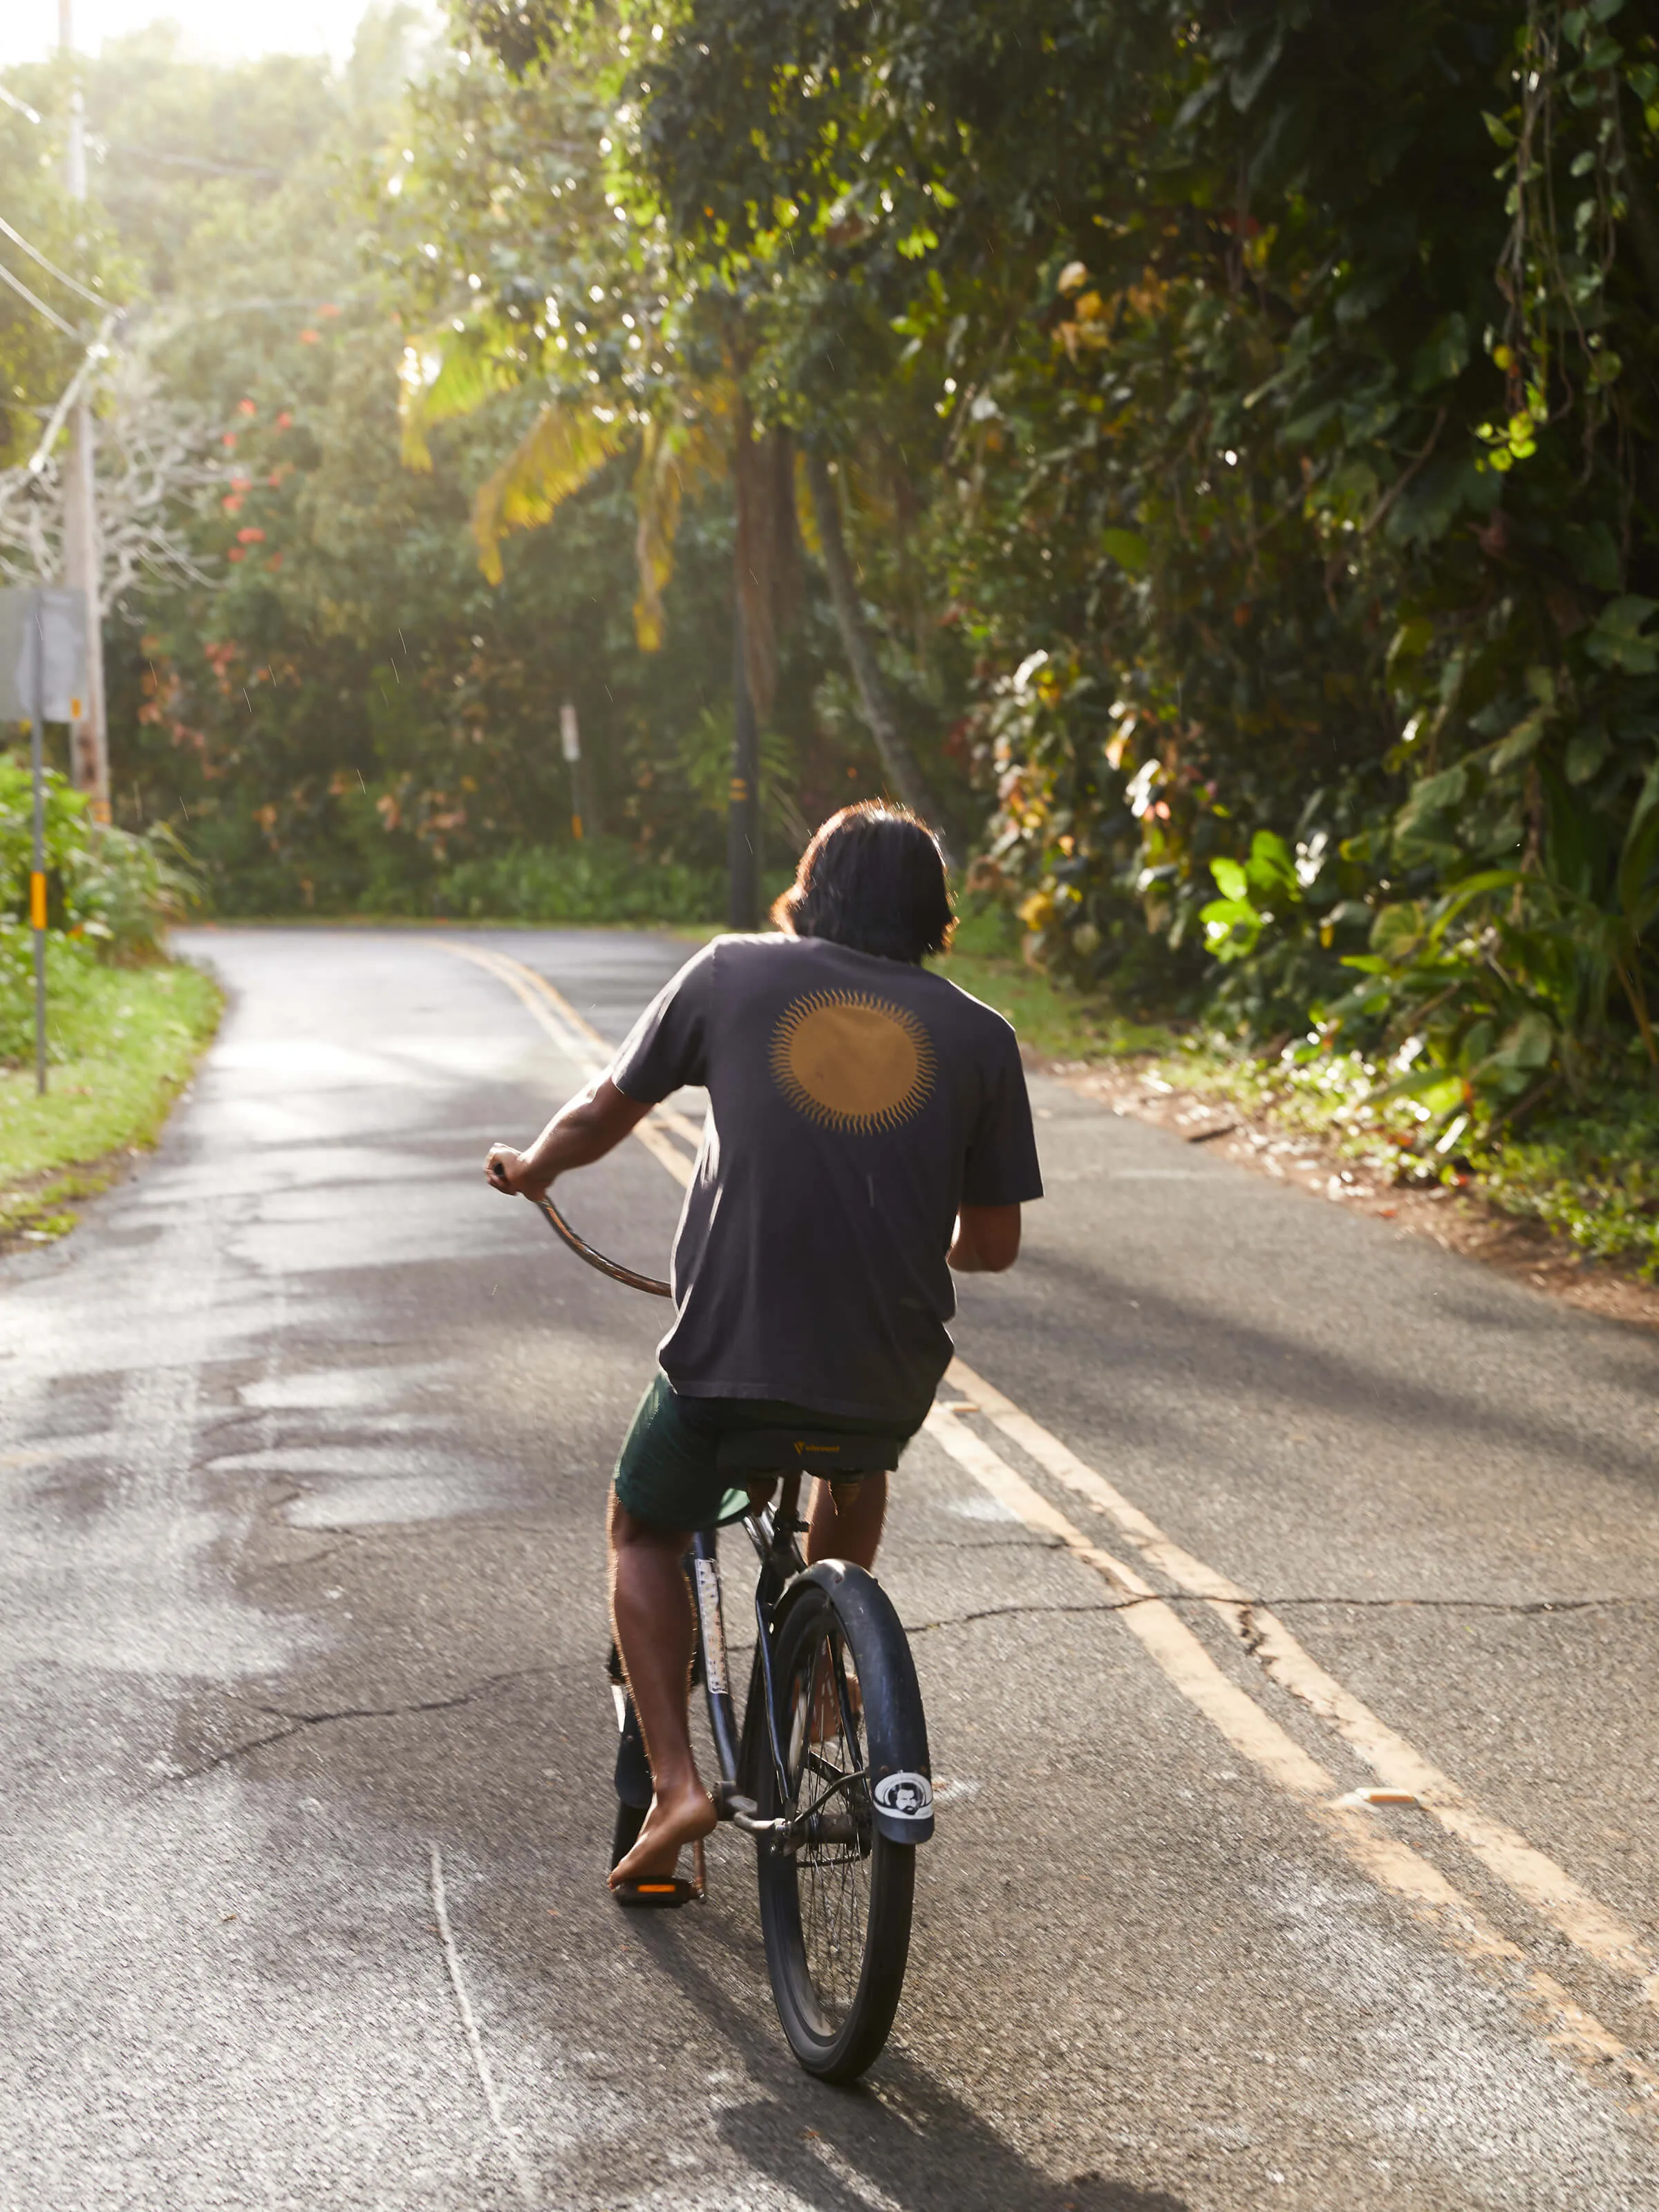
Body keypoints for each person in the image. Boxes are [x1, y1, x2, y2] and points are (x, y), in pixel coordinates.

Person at [485, 803, 1042, 1890]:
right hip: (884, 1370)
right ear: (936, 917)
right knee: (856, 1453)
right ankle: (829, 1665)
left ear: (810, 891)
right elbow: (993, 1246)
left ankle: (679, 1783)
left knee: (642, 1528)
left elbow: (608, 1109)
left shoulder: (733, 974)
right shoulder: (981, 1036)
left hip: (730, 1353)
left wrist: (537, 1168)